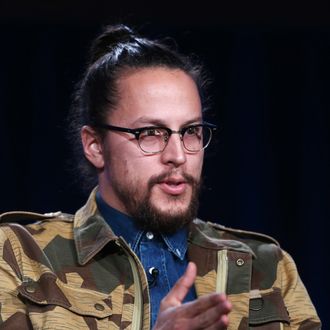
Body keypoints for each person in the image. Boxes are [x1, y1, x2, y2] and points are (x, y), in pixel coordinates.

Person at [0, 24, 321, 330]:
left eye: (191, 132)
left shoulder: (265, 269)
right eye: (150, 133)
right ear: (95, 146)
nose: (178, 155)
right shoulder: (20, 256)